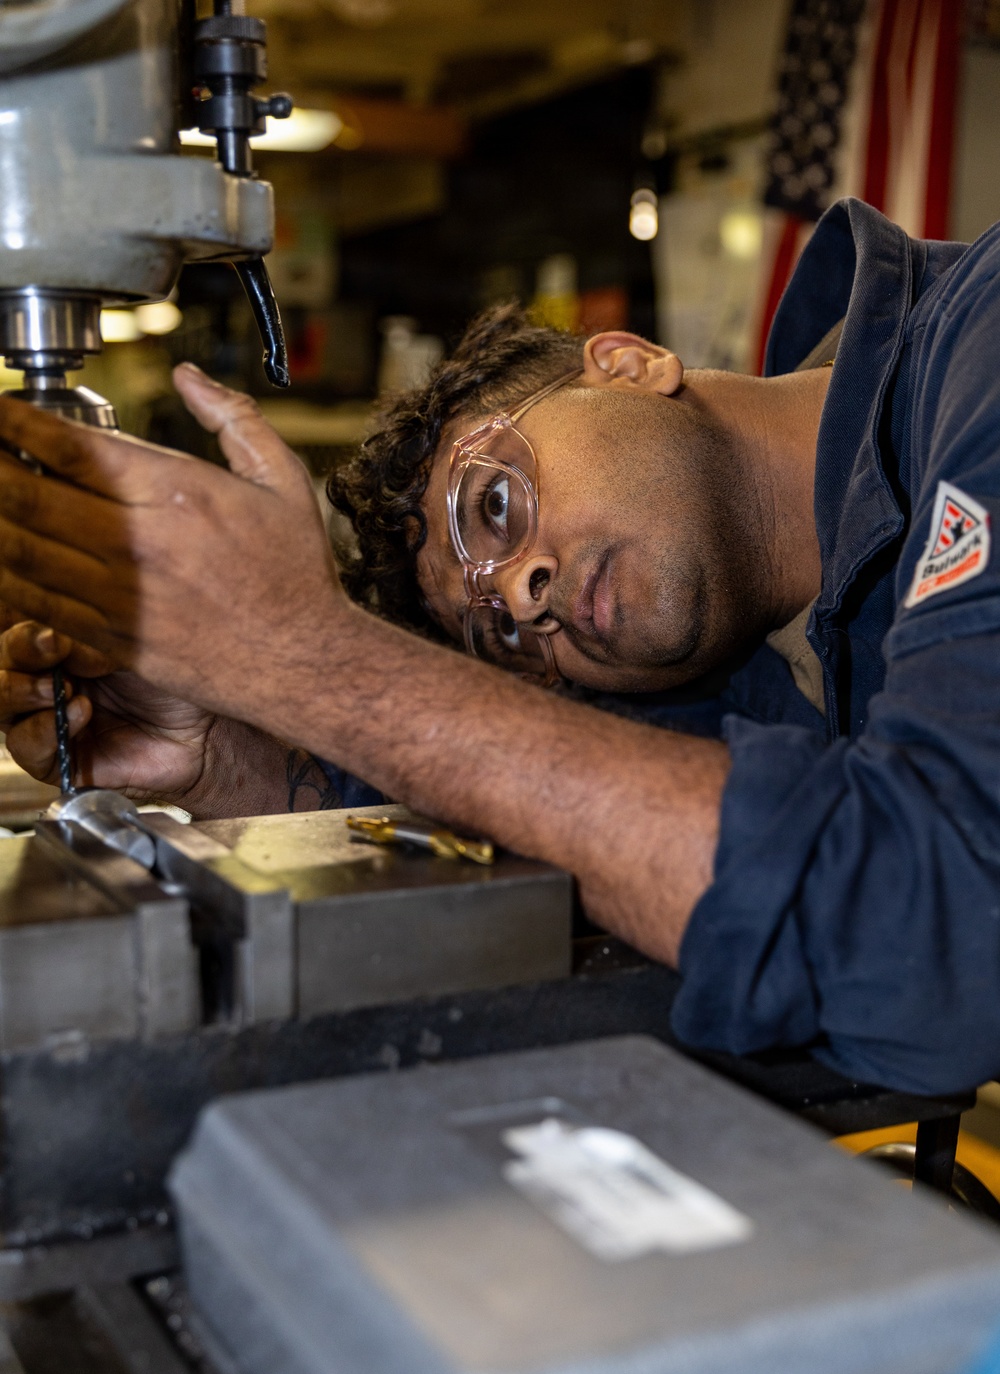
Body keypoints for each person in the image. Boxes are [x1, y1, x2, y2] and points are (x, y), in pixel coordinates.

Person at [0, 196, 997, 1096]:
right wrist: (232, 759)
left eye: (495, 502)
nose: (523, 594)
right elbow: (546, 808)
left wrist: (305, 659)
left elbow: (940, 939)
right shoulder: (731, 666)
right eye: (502, 637)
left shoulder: (981, 348)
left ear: (627, 363)